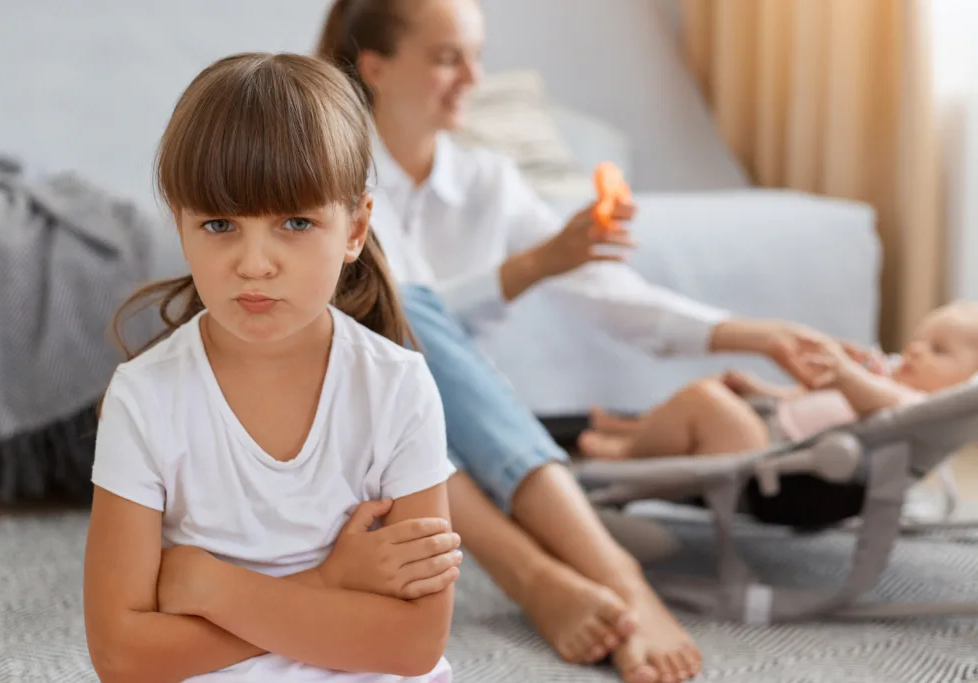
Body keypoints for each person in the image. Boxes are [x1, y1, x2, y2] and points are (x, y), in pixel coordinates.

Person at [318, 2, 853, 682]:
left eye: (477, 56)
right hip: (358, 424)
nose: (473, 78)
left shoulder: (487, 181)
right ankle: (561, 575)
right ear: (376, 67)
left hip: (464, 430)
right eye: (449, 57)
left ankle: (578, 574)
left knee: (429, 387)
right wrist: (537, 263)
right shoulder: (337, 179)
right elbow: (393, 317)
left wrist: (755, 334)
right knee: (409, 323)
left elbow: (609, 294)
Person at [83, 53, 464, 683]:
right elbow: (122, 656)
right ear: (180, 225)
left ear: (355, 227)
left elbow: (415, 642)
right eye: (219, 224)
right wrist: (330, 583)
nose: (254, 263)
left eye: (294, 222)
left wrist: (211, 589)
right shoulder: (143, 398)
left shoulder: (397, 386)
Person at [578, 301, 978, 461]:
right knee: (717, 396)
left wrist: (846, 374)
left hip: (774, 455)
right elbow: (803, 402)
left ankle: (627, 452)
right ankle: (632, 425)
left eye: (938, 350)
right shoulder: (890, 383)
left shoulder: (914, 405)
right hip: (773, 421)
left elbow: (880, 401)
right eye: (920, 340)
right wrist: (761, 389)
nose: (915, 351)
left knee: (704, 401)